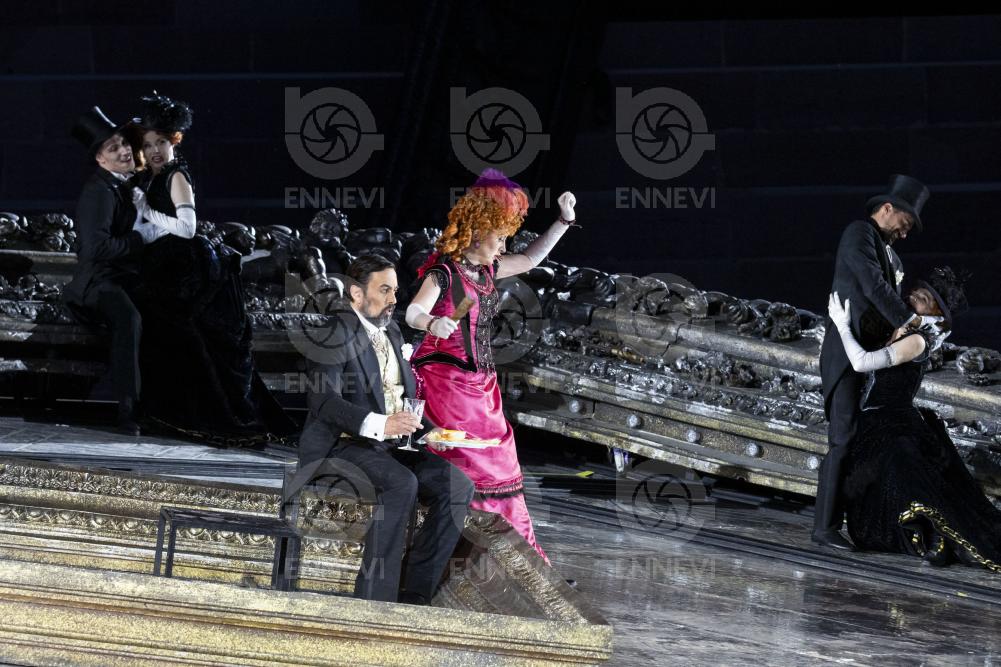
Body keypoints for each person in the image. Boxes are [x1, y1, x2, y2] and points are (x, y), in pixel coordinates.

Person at [405, 169, 577, 563]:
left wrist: (564, 220)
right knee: (471, 463)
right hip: (447, 381)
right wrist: (431, 323)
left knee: (501, 461)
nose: (503, 245)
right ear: (478, 233)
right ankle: (464, 554)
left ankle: (521, 559)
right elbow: (413, 310)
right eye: (499, 237)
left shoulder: (488, 270)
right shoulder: (444, 272)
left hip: (481, 385)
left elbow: (531, 258)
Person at [296, 254, 475, 604]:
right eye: (385, 290)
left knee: (458, 486)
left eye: (395, 290)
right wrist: (382, 424)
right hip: (341, 446)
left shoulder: (391, 330)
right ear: (357, 294)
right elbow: (324, 402)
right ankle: (375, 600)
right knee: (402, 483)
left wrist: (431, 433)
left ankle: (415, 594)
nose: (394, 298)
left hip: (389, 446)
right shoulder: (332, 333)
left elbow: (398, 400)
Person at [127, 92, 293, 446]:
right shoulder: (153, 177)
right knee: (170, 338)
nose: (155, 150)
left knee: (197, 341)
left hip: (188, 270)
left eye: (161, 142)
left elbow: (187, 228)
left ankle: (219, 418)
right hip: (164, 266)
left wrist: (146, 211)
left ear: (174, 141)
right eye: (149, 144)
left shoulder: (176, 176)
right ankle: (174, 414)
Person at [827, 270, 1001, 571]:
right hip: (872, 423)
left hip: (895, 422)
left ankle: (935, 538)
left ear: (935, 315)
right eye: (916, 292)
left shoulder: (918, 341)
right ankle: (923, 537)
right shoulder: (897, 328)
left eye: (923, 298)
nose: (913, 297)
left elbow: (862, 362)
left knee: (903, 468)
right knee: (874, 500)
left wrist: (841, 324)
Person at [814, 174, 941, 551]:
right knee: (842, 438)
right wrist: (909, 321)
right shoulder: (859, 233)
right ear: (887, 208)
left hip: (865, 357)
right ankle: (824, 528)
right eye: (905, 223)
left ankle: (853, 522)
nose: (905, 232)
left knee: (853, 440)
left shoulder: (886, 250)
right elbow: (872, 284)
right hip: (845, 357)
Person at [64, 106, 163, 435]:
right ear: (100, 159)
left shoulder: (127, 184)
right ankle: (127, 408)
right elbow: (95, 250)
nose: (123, 151)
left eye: (122, 143)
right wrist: (138, 239)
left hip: (125, 277)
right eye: (113, 148)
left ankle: (167, 405)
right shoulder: (98, 191)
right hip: (97, 282)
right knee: (128, 317)